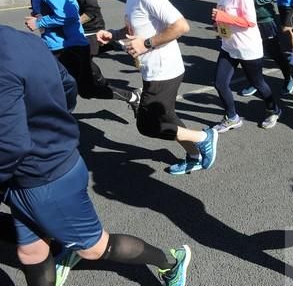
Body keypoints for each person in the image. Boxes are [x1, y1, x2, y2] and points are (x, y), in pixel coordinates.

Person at [0, 24, 191, 286]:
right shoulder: (21, 39)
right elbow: (67, 85)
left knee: (93, 248)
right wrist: (55, 124)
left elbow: (10, 146)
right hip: (31, 170)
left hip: (45, 177)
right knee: (31, 251)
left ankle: (171, 261)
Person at [95, 0, 218, 175]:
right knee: (168, 118)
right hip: (154, 70)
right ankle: (194, 155)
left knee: (149, 125)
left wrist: (147, 44)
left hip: (164, 70)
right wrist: (113, 35)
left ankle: (204, 136)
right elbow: (136, 31)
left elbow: (181, 26)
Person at [18, 0, 139, 113]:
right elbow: (72, 5)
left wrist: (40, 22)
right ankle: (56, 124)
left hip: (67, 48)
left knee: (75, 89)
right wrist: (40, 13)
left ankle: (132, 97)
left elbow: (69, 15)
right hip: (59, 46)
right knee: (71, 89)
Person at [210, 0, 283, 132]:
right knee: (220, 83)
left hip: (248, 48)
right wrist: (219, 25)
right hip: (229, 46)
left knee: (258, 83)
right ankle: (232, 116)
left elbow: (249, 21)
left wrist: (224, 16)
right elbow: (227, 18)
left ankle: (274, 109)